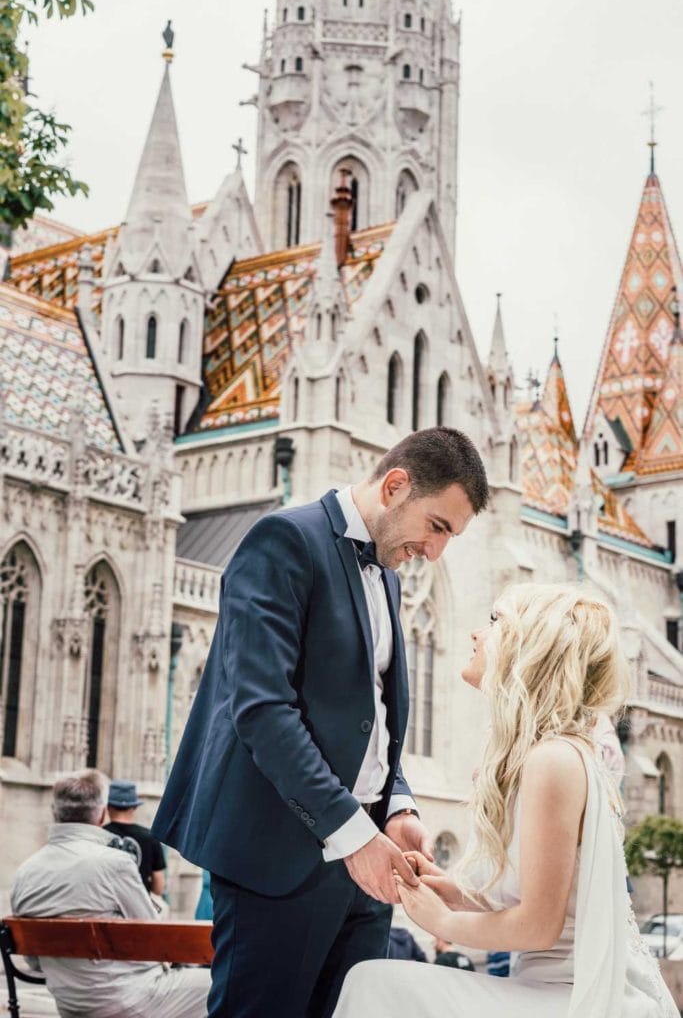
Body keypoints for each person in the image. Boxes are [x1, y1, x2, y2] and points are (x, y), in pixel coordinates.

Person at [152, 427, 489, 1018]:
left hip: (370, 869)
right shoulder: (282, 541)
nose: (436, 553)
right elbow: (260, 710)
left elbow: (373, 715)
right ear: (395, 485)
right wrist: (353, 833)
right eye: (437, 527)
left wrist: (398, 805)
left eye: (450, 538)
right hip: (276, 858)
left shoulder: (386, 569)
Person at [332, 584, 679, 1018]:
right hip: (544, 986)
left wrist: (440, 922)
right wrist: (444, 889)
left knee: (374, 983)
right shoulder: (545, 755)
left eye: (495, 621)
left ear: (529, 648)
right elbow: (534, 896)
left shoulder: (553, 759)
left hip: (576, 996)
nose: (477, 634)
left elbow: (538, 924)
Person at [11, 769, 211, 1018]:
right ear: (102, 815)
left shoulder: (25, 873)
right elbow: (154, 940)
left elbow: (33, 962)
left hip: (69, 1003)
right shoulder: (115, 864)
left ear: (55, 813)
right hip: (130, 999)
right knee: (224, 985)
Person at [105, 778, 166, 897]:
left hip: (104, 908)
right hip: (138, 911)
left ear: (107, 807)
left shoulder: (97, 835)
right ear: (134, 807)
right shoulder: (150, 837)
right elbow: (158, 888)